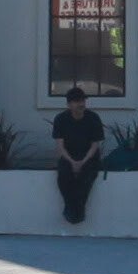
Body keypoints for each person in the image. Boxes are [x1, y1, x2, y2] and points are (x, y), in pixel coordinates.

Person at [52, 87, 108, 225]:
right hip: (68, 155)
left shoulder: (93, 118)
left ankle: (76, 212)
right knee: (63, 177)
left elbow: (95, 145)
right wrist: (72, 162)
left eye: (83, 100)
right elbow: (60, 145)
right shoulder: (60, 119)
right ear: (69, 104)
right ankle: (72, 209)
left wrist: (82, 162)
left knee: (86, 178)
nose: (81, 104)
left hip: (89, 156)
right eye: (77, 101)